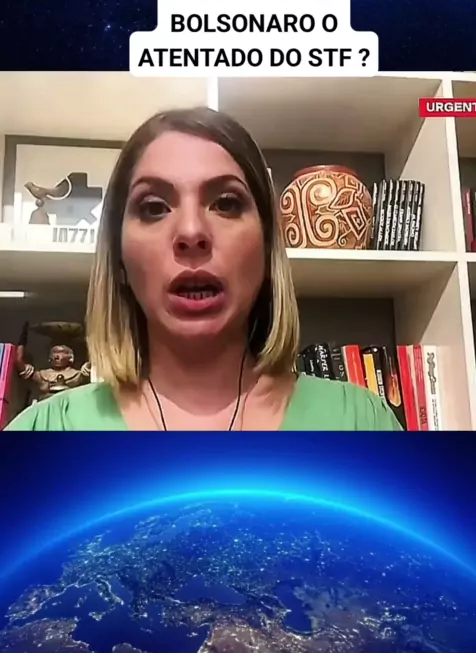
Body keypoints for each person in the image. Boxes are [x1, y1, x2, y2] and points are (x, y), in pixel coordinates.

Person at [5, 107, 402, 431]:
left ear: (267, 248)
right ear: (119, 259)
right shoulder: (41, 431)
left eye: (226, 203)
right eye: (154, 207)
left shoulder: (363, 424)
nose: (192, 232)